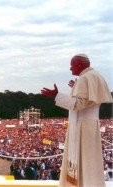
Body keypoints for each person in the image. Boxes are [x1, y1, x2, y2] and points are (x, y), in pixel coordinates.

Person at [41, 53, 112, 187]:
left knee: (83, 159)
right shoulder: (95, 76)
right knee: (89, 162)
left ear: (79, 64)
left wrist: (56, 96)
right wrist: (76, 87)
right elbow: (87, 100)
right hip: (89, 124)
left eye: (71, 65)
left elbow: (79, 104)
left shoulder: (85, 78)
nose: (70, 68)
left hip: (82, 126)